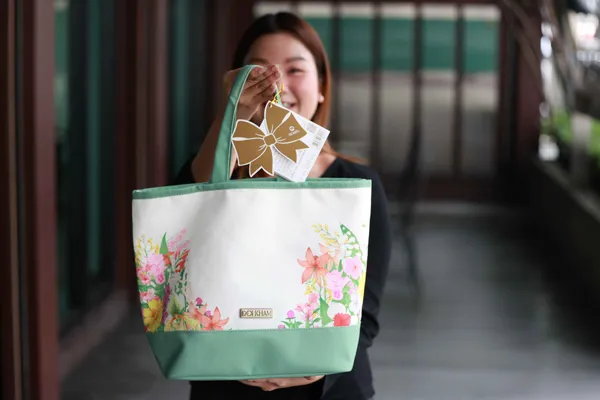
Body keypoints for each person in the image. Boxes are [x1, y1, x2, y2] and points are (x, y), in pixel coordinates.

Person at [173, 11, 392, 400]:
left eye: (295, 70)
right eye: (259, 72)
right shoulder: (212, 174)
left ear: (321, 87)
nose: (277, 85)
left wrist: (310, 369)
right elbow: (189, 217)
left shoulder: (358, 186)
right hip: (225, 383)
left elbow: (365, 316)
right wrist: (234, 115)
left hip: (328, 388)